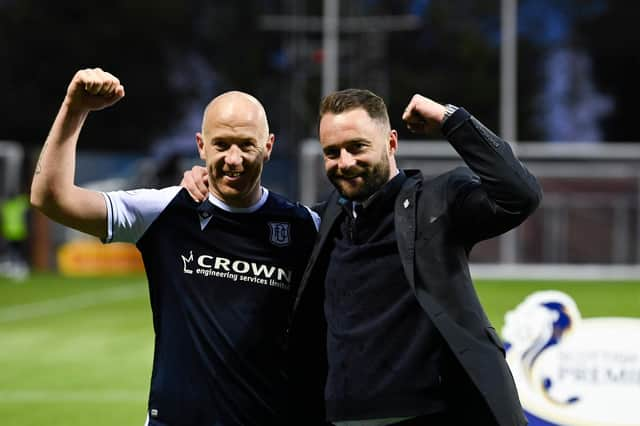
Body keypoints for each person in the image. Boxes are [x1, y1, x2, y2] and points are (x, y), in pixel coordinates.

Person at [183, 89, 542, 425]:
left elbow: (519, 195)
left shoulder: (437, 202)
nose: (345, 162)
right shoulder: (319, 223)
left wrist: (451, 119)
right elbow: (246, 222)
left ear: (391, 143)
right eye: (332, 152)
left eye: (357, 147)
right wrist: (204, 184)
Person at [30, 68, 320, 426]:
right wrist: (75, 109)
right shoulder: (165, 211)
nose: (234, 159)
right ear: (201, 145)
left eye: (246, 144)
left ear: (268, 147)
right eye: (221, 145)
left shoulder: (305, 227)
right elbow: (50, 198)